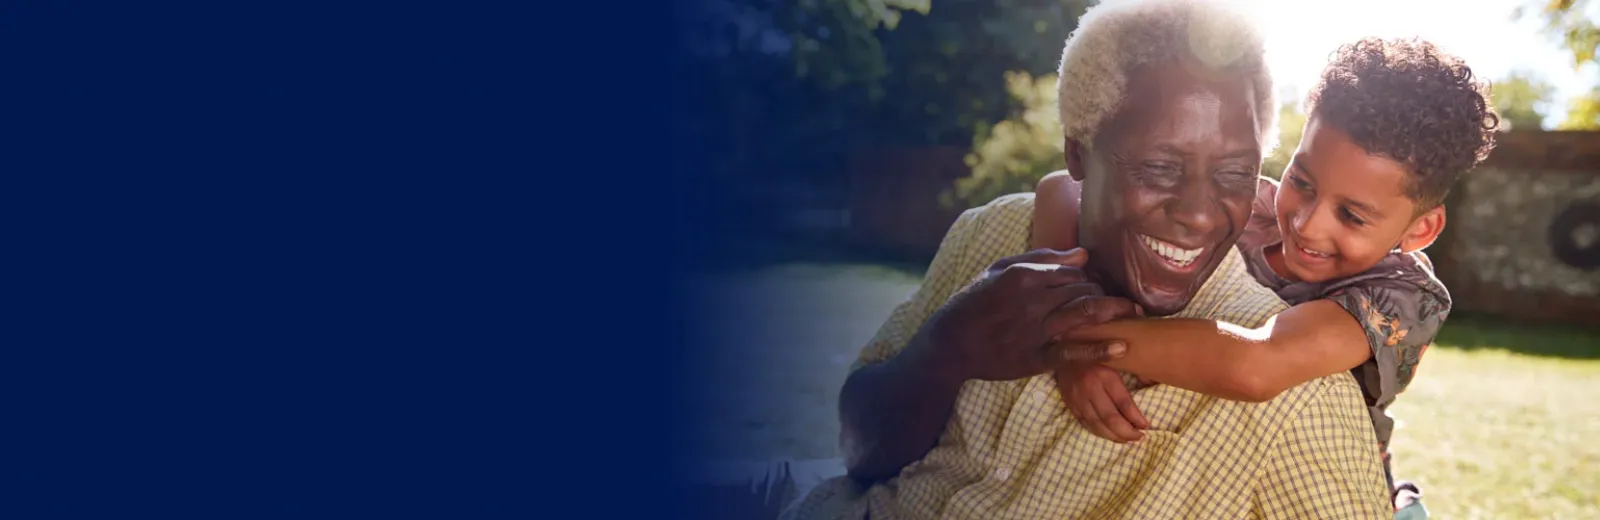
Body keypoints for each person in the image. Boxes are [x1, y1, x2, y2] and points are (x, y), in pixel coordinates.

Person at [774, 1, 1390, 518]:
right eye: (1158, 168)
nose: (1201, 214)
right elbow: (859, 450)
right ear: (1079, 155)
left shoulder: (1298, 405)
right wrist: (946, 351)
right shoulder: (994, 234)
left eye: (1234, 174)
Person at [1030, 36, 1499, 518]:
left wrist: (1074, 340)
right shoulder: (1248, 208)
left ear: (1421, 229)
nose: (1308, 223)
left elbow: (1255, 365)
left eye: (1352, 217)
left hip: (1320, 491)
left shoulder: (1405, 297)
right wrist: (1069, 314)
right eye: (1302, 182)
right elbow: (1062, 188)